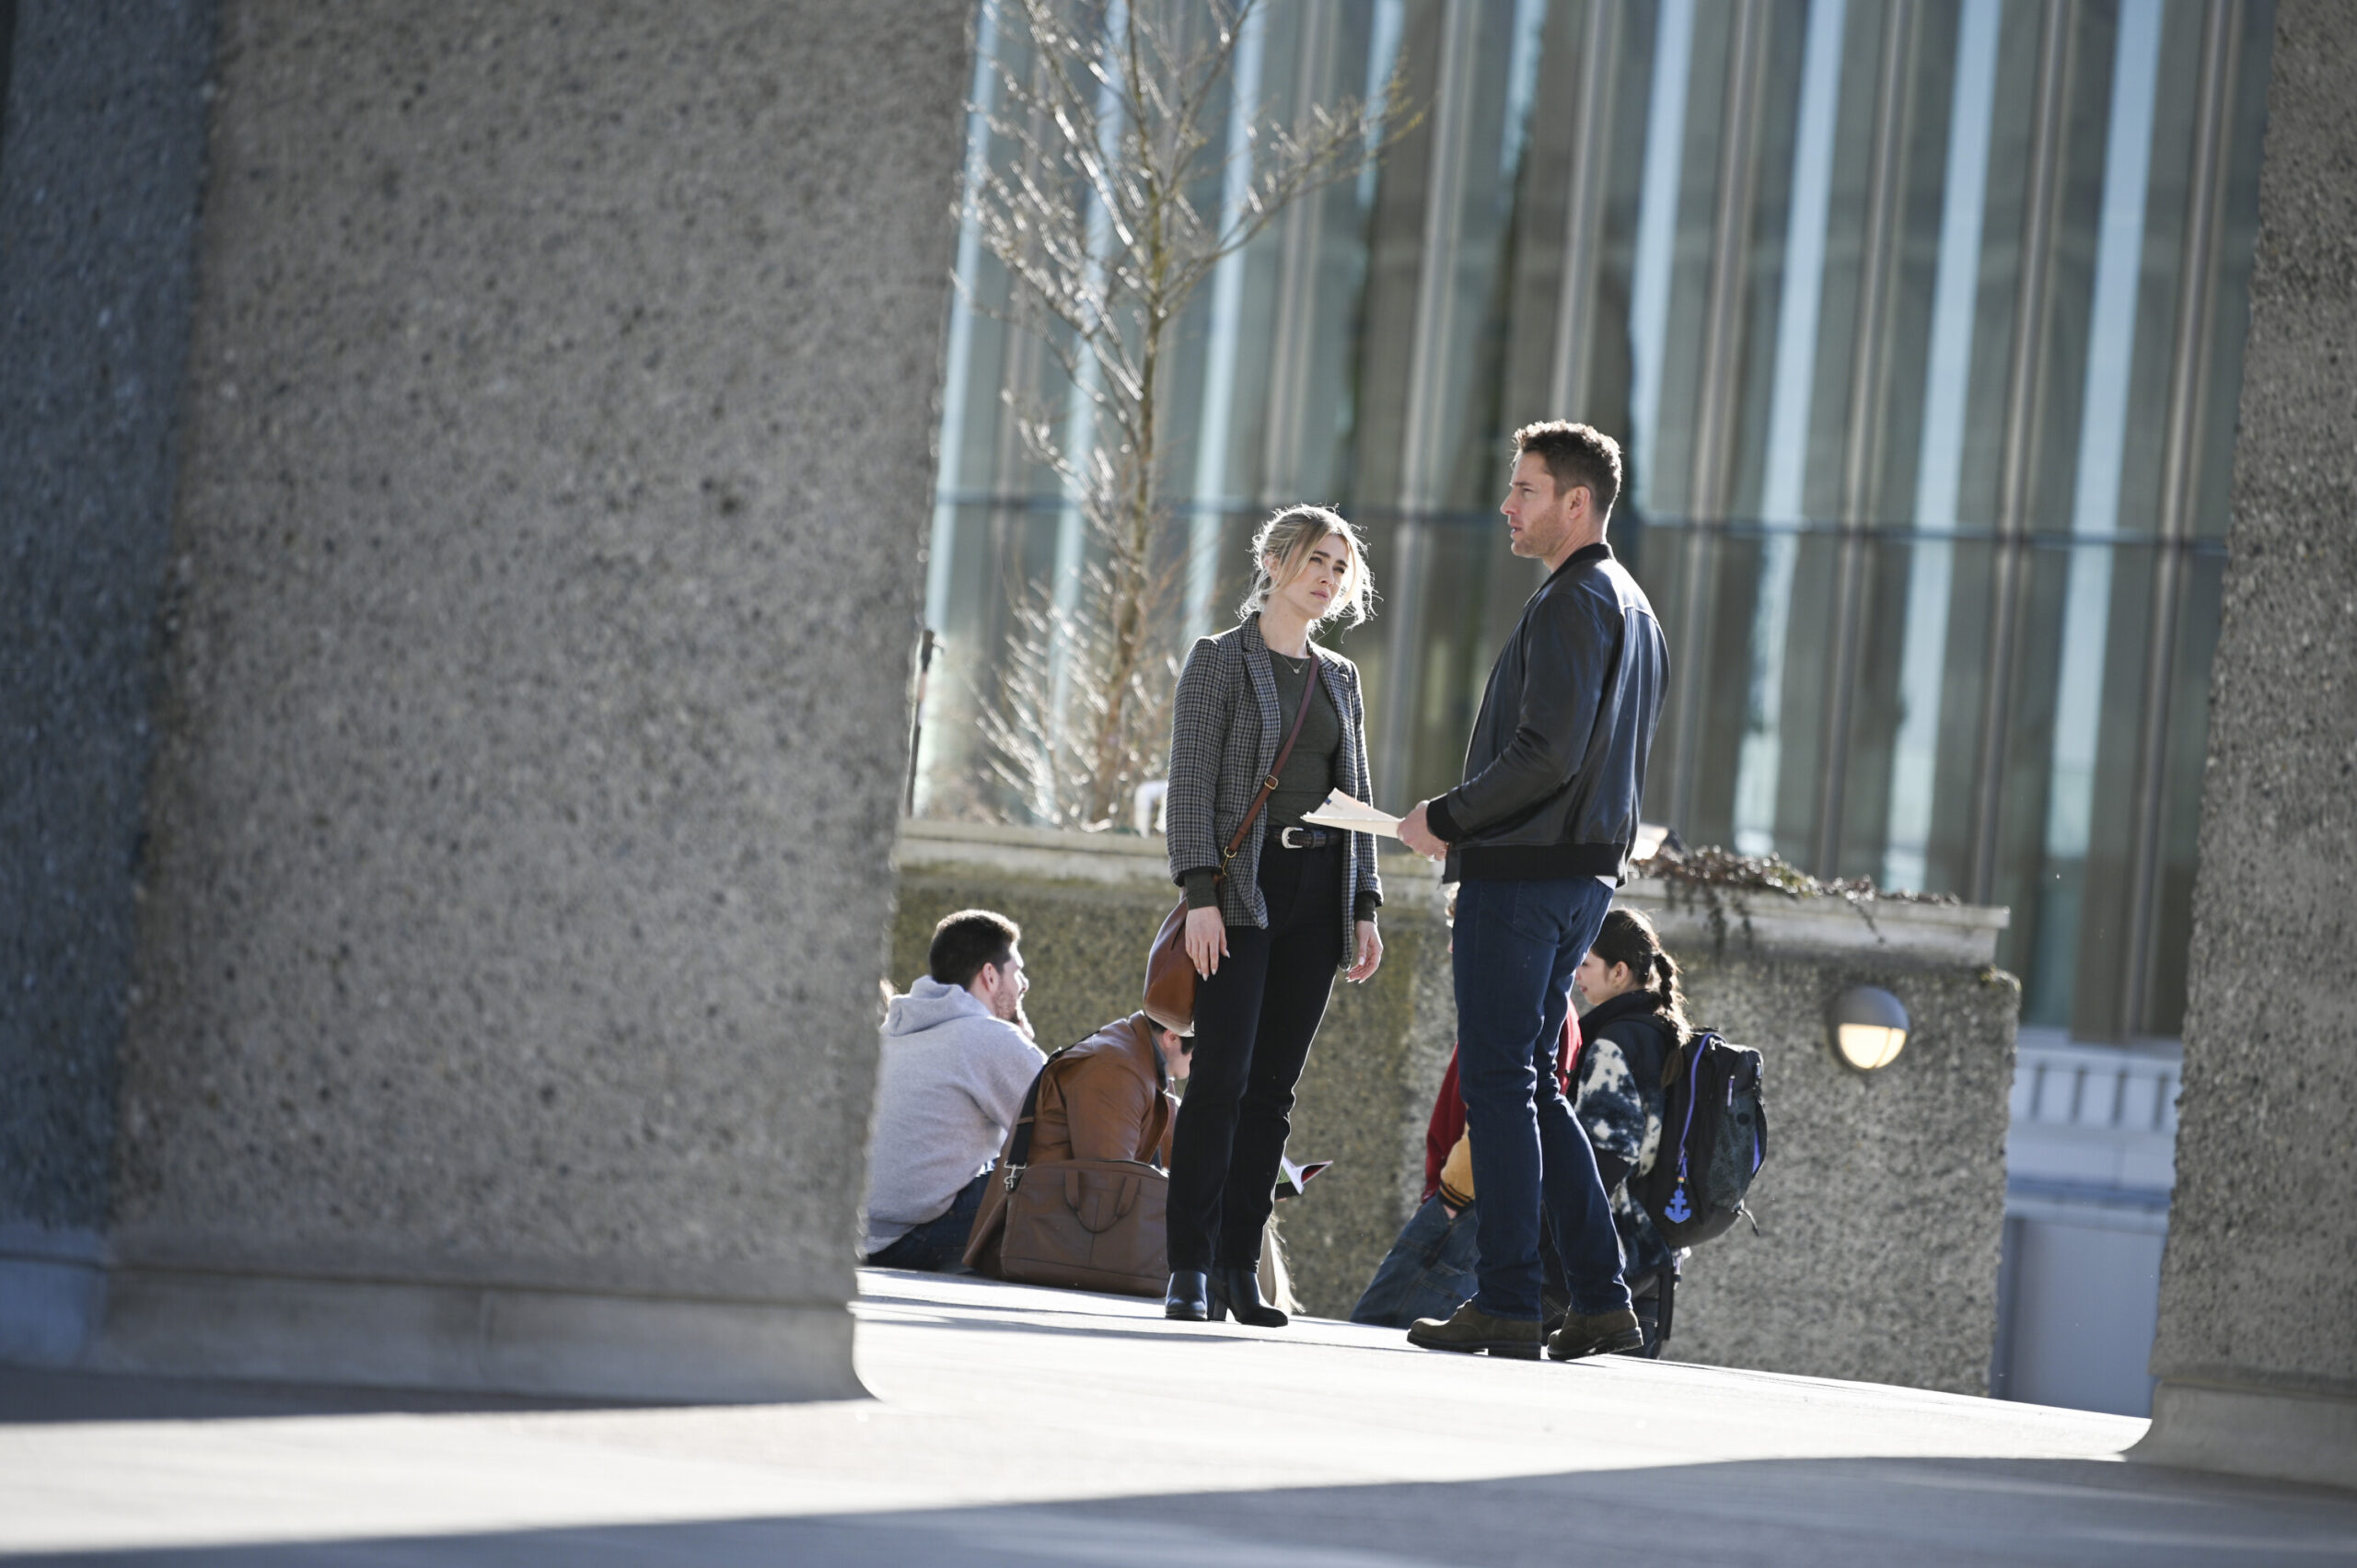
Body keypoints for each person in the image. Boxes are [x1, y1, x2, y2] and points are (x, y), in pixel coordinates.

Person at [1397, 420, 1668, 1361]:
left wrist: (1449, 815)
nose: (1508, 505)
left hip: (1524, 876)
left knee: (1500, 1081)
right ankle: (1597, 1295)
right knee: (1529, 1083)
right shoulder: (1636, 608)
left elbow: (1544, 753)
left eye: (1525, 489)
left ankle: (1509, 1298)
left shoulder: (1573, 600)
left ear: (1576, 502)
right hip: (1582, 879)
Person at [1162, 505, 1385, 1327]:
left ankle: (1236, 1268)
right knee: (1218, 1079)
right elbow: (1190, 786)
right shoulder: (1221, 660)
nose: (1328, 577)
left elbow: (1354, 799)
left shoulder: (1341, 678)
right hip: (1240, 891)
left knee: (1273, 1093)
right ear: (1277, 560)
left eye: (1340, 566)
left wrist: (1364, 905)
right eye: (1316, 560)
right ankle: (1188, 1265)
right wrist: (1199, 896)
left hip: (1318, 896)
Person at [862, 910, 1046, 1272]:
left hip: (856, 1236)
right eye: (1017, 971)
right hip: (915, 1238)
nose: (1024, 984)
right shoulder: (991, 1038)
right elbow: (1066, 1126)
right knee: (1046, 1173)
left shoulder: (891, 1034)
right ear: (990, 976)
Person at [963, 1010, 1192, 1276]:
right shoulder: (1117, 1067)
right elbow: (1109, 1190)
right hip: (1038, 1242)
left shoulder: (1137, 1057)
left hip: (1056, 1233)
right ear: (1171, 1037)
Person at [1570, 906, 1691, 1357]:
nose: (1576, 974)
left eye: (1585, 963)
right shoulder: (1667, 1033)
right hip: (1659, 1256)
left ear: (1619, 972)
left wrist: (1550, 1240)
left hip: (1607, 1263)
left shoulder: (1612, 1042)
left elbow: (1605, 1159)